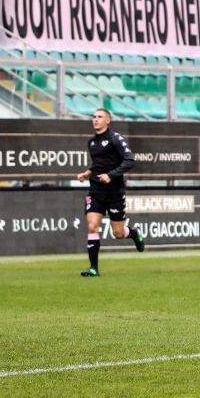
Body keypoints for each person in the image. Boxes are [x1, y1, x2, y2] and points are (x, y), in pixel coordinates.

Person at [76, 108, 144, 277]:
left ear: (108, 120)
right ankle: (93, 268)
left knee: (118, 233)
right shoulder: (92, 142)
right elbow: (98, 164)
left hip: (114, 191)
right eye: (94, 117)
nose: (95, 119)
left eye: (100, 117)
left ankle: (133, 233)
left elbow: (130, 160)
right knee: (92, 226)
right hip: (96, 190)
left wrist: (111, 175)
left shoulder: (115, 138)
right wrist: (87, 173)